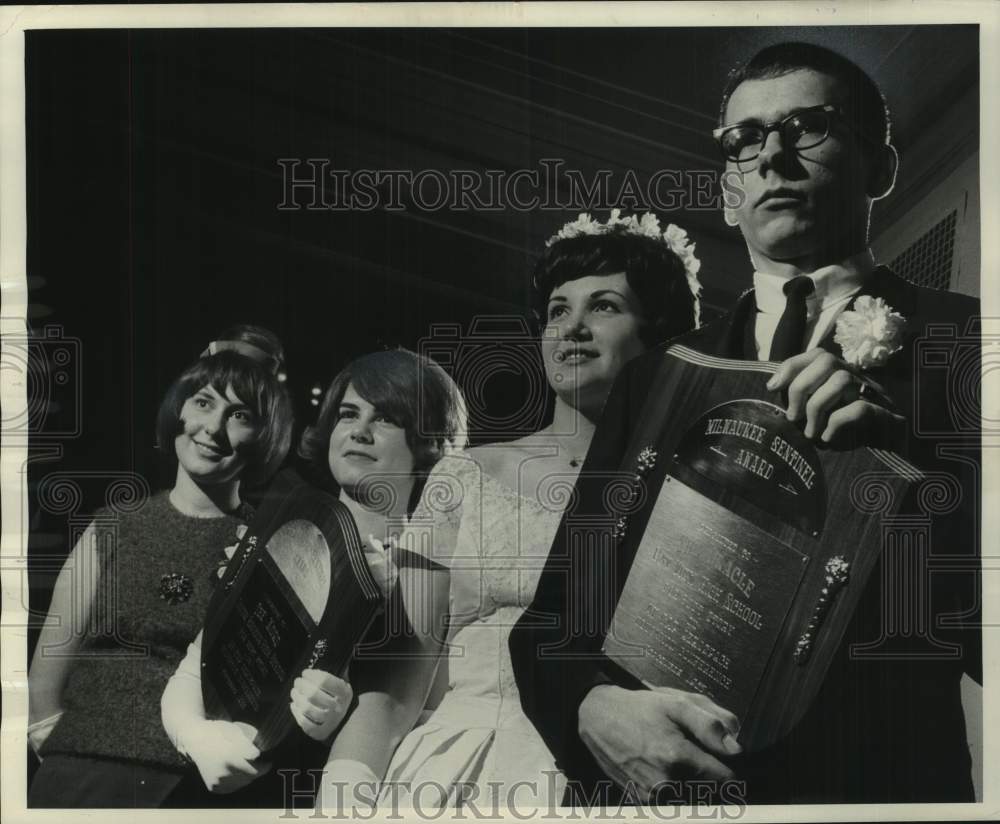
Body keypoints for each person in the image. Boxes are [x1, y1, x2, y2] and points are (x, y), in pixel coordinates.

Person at [510, 41, 981, 805]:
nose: (772, 156)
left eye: (808, 128)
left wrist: (903, 476)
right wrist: (592, 708)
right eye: (746, 140)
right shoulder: (657, 377)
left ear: (882, 169)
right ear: (729, 188)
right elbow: (550, 627)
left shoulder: (970, 346)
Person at [319, 211, 702, 812]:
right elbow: (395, 686)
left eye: (603, 307)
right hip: (458, 777)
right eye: (556, 310)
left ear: (655, 336)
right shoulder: (465, 475)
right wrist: (343, 792)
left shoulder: (684, 496)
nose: (572, 328)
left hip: (613, 781)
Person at [161, 347, 467, 807]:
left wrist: (338, 725)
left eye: (385, 418)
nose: (359, 432)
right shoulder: (285, 530)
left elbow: (421, 715)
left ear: (427, 441)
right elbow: (194, 669)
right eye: (348, 413)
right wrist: (197, 737)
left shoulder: (435, 570)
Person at [27, 325, 294, 807]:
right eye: (204, 402)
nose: (212, 429)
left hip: (191, 788)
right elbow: (49, 666)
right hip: (78, 773)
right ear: (179, 408)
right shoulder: (113, 526)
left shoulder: (270, 545)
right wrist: (59, 753)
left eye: (240, 415)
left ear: (265, 435)